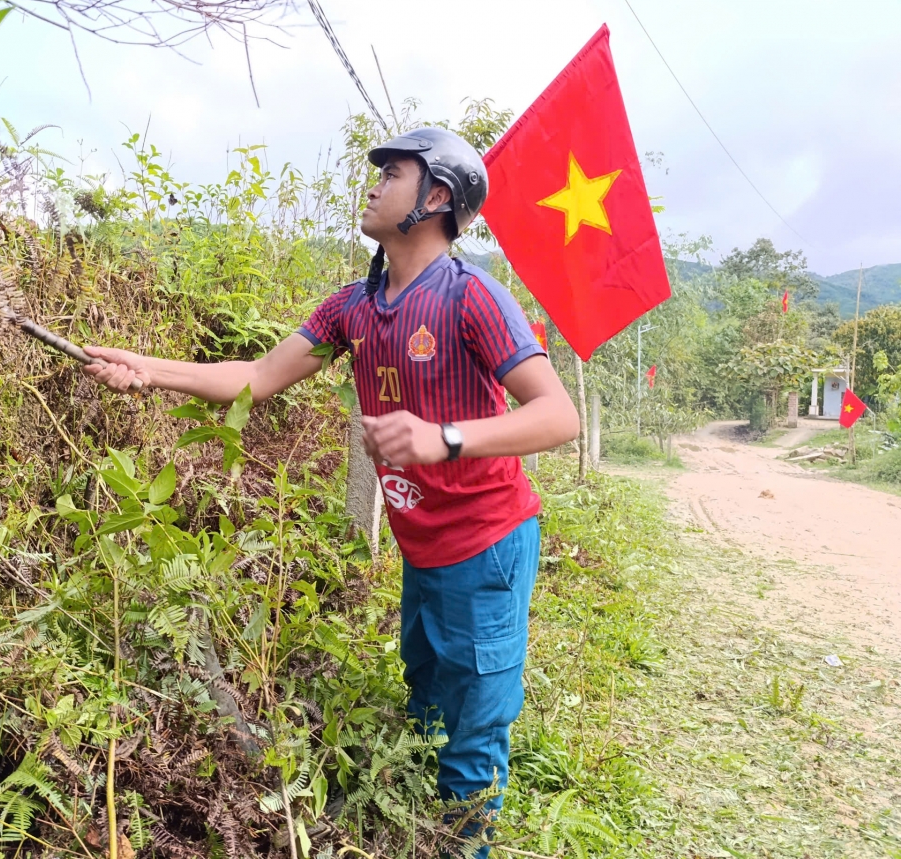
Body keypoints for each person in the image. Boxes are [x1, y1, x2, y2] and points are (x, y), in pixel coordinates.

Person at [83, 127, 580, 856]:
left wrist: (443, 437)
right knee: (427, 701)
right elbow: (255, 376)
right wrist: (146, 369)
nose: (374, 183)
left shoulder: (473, 298)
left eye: (395, 172)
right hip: (424, 548)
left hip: (488, 545)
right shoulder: (354, 306)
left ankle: (461, 845)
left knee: (473, 735)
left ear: (437, 197)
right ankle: (419, 827)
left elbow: (557, 414)